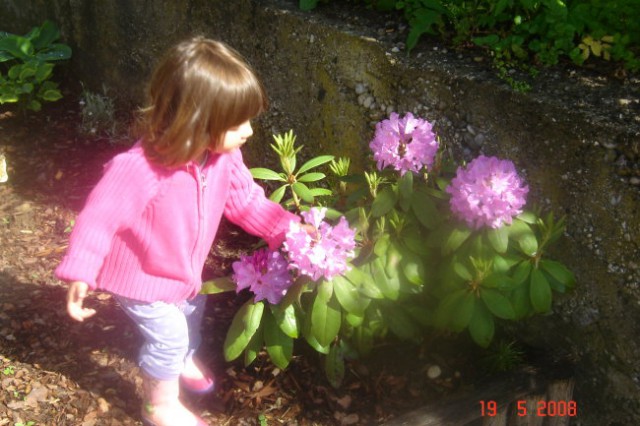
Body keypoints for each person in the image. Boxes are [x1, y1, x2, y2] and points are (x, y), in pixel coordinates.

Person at [56, 37, 300, 426]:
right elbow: (98, 217)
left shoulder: (223, 156)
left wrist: (288, 231)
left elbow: (246, 202)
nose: (249, 131)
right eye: (237, 123)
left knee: (192, 311)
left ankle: (183, 355)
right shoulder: (140, 168)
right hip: (140, 278)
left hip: (183, 275)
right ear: (196, 121)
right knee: (168, 337)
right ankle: (160, 404)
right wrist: (81, 269)